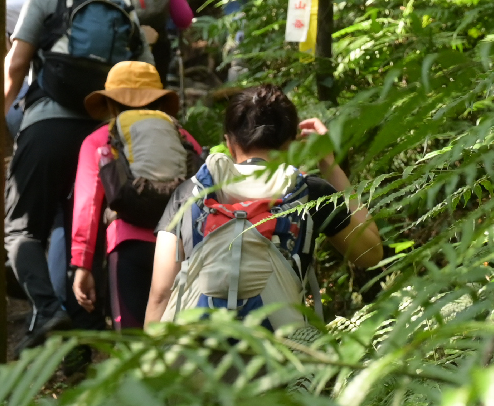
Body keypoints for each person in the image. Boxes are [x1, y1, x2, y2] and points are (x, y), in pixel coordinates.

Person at [2, 0, 149, 347]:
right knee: (83, 228)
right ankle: (86, 332)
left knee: (21, 228)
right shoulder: (126, 11)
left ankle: (47, 311)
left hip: (46, 127)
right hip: (101, 137)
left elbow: (16, 65)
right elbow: (147, 80)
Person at [145, 85, 384, 327]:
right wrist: (329, 164)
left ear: (228, 142)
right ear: (291, 143)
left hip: (198, 353)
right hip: (280, 352)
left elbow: (161, 294)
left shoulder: (189, 193)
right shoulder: (308, 192)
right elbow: (372, 254)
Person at [68, 61, 201, 330]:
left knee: (132, 341)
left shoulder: (99, 139)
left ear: (111, 105)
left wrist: (82, 265)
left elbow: (87, 206)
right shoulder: (182, 136)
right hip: (178, 247)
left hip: (127, 247)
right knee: (176, 340)